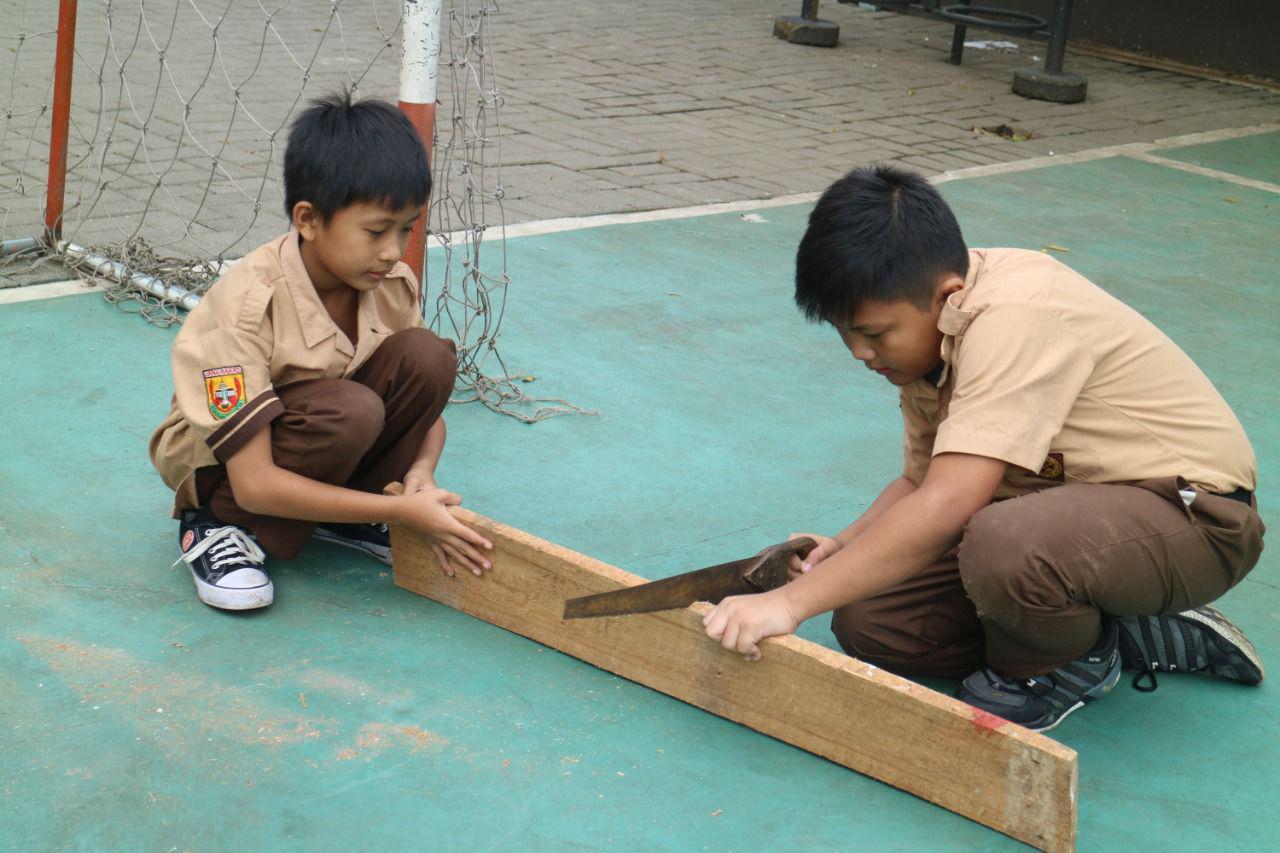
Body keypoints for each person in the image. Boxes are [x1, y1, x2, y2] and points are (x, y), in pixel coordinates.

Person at [702, 165, 1265, 731]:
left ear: (945, 296)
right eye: (844, 332)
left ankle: (1064, 663)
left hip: (1194, 519)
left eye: (874, 334)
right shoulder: (928, 340)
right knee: (873, 623)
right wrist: (842, 547)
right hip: (1068, 515)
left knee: (1007, 543)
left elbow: (950, 503)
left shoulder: (1014, 316)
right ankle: (1115, 630)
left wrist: (788, 605)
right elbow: (920, 484)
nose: (858, 353)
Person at [150, 91, 492, 611]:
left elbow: (426, 415)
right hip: (230, 472)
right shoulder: (248, 304)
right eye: (376, 230)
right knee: (349, 409)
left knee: (428, 356)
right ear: (308, 220)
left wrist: (418, 477)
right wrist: (400, 514)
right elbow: (257, 481)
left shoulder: (390, 284)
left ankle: (338, 513)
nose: (393, 251)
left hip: (323, 434)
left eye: (406, 228)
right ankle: (216, 529)